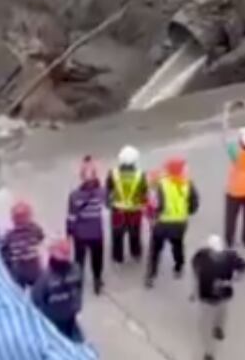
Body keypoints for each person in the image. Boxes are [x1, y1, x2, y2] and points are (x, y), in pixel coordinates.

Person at [191, 235, 245, 360]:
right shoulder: (228, 257)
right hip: (217, 295)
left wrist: (195, 293)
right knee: (218, 314)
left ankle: (213, 341)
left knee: (208, 323)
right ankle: (215, 339)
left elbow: (197, 277)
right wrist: (236, 277)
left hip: (212, 297)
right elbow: (244, 266)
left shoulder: (201, 258)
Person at [145, 156, 198, 287]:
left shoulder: (161, 184)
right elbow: (194, 205)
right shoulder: (188, 184)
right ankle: (178, 267)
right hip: (179, 224)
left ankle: (150, 275)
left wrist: (153, 217)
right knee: (178, 246)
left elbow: (156, 204)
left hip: (162, 224)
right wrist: (185, 212)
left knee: (155, 250)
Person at [65, 155, 106, 294]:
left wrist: (69, 234)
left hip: (80, 234)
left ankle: (78, 282)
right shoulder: (101, 192)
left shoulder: (74, 195)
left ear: (81, 177)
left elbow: (71, 217)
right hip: (96, 233)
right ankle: (97, 280)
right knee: (97, 258)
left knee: (79, 259)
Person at [31, 238, 84, 343]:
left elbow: (78, 289)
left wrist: (76, 306)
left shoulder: (75, 269)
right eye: (61, 251)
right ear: (52, 252)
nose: (65, 256)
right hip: (52, 324)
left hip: (70, 320)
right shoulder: (44, 277)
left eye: (67, 252)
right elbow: (36, 300)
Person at [108, 145, 148, 265]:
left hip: (117, 210)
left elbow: (109, 188)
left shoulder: (113, 173)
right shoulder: (140, 175)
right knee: (135, 234)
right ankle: (135, 253)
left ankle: (117, 257)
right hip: (134, 210)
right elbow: (144, 190)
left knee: (117, 235)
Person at [2, 200, 46, 287]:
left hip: (32, 266)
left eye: (23, 216)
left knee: (37, 290)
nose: (20, 220)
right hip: (19, 268)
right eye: (18, 217)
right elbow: (5, 253)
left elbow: (41, 237)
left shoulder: (34, 229)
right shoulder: (10, 235)